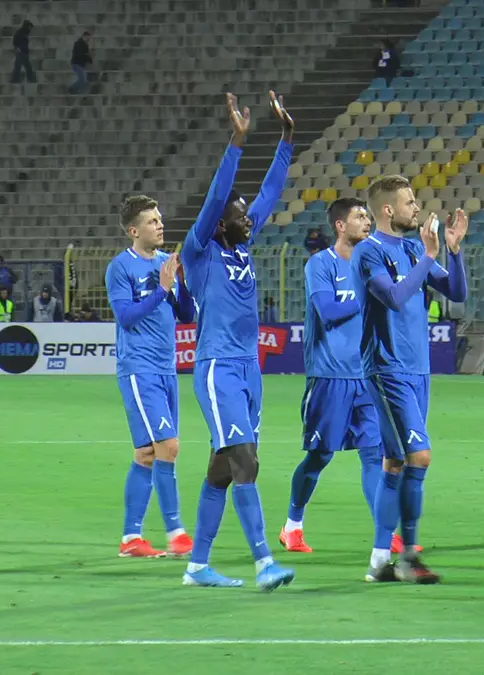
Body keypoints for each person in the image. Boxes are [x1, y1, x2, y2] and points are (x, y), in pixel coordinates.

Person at [178, 91, 296, 591]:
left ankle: (197, 566)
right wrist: (237, 143)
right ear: (219, 222)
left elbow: (270, 192)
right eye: (240, 214)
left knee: (222, 471)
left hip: (249, 369)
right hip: (217, 367)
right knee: (246, 459)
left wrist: (287, 140)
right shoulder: (199, 251)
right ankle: (264, 562)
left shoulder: (242, 246)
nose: (249, 218)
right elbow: (214, 198)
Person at [352, 175, 468, 584]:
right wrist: (429, 255)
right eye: (409, 201)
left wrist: (453, 251)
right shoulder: (368, 251)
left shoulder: (413, 248)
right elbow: (395, 297)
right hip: (388, 369)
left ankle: (379, 561)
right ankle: (409, 557)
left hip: (418, 368)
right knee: (419, 457)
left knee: (395, 462)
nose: (417, 207)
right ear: (388, 209)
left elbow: (456, 291)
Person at [279, 198, 384, 554]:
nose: (367, 221)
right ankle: (293, 525)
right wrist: (366, 297)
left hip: (367, 376)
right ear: (340, 225)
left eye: (367, 216)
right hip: (329, 376)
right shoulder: (320, 264)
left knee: (374, 454)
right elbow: (326, 311)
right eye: (359, 216)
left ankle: (385, 533)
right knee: (320, 456)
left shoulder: (373, 264)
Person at [105, 195, 197, 559]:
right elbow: (126, 317)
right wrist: (161, 288)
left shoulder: (165, 263)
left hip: (166, 368)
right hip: (139, 368)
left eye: (160, 219)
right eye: (152, 221)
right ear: (134, 230)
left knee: (146, 453)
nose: (160, 225)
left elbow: (187, 315)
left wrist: (181, 283)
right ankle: (176, 532)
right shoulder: (120, 268)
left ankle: (131, 538)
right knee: (168, 446)